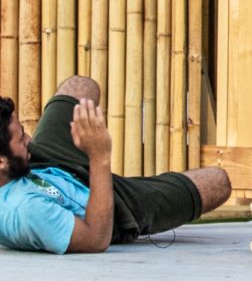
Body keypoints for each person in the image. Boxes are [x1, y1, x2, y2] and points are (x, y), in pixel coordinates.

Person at [0, 77, 231, 253]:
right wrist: (99, 155)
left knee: (80, 86)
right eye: (21, 138)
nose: (30, 140)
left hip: (43, 168)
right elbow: (95, 238)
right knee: (218, 181)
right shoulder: (27, 211)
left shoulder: (17, 164)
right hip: (108, 202)